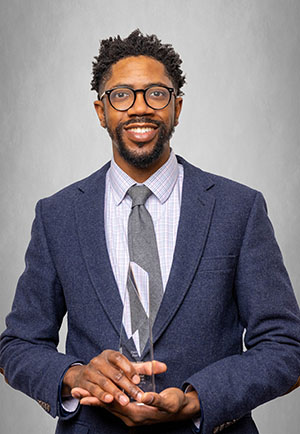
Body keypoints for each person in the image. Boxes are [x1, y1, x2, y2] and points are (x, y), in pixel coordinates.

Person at [0, 29, 299, 434]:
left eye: (156, 94)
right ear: (100, 111)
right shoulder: (58, 215)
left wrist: (198, 399)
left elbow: (286, 346)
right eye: (121, 95)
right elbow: (18, 345)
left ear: (177, 107)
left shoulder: (237, 209)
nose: (139, 108)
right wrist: (75, 375)